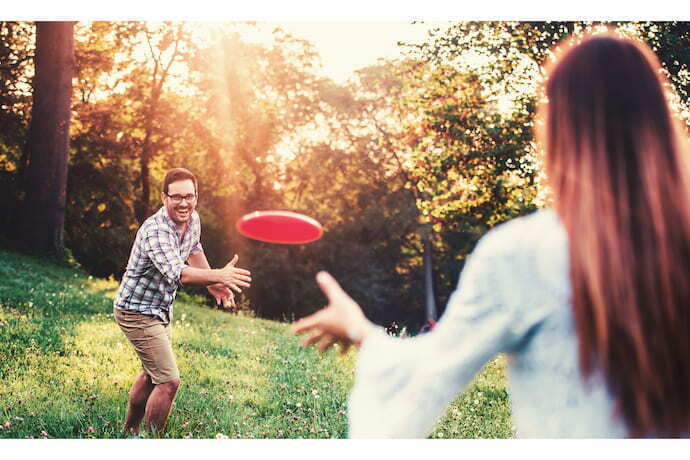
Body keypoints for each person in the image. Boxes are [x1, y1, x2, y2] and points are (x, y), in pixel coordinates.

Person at [292, 30, 690, 438]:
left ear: (557, 131)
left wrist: (359, 329)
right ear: (661, 122)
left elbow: (423, 377)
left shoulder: (525, 254)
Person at [113, 167, 252, 436]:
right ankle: (153, 442)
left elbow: (194, 248)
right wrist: (218, 274)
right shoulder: (156, 230)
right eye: (177, 197)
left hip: (159, 309)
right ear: (164, 197)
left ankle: (129, 434)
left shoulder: (192, 219)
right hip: (136, 310)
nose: (184, 203)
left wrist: (215, 284)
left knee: (152, 374)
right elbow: (179, 273)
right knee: (168, 381)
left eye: (189, 196)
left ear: (196, 197)